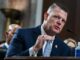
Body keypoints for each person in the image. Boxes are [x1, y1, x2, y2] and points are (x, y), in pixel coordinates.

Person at [6, 2, 74, 57]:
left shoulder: (65, 49)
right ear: (46, 16)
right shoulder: (22, 34)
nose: (59, 22)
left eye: (63, 21)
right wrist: (34, 49)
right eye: (56, 17)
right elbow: (9, 58)